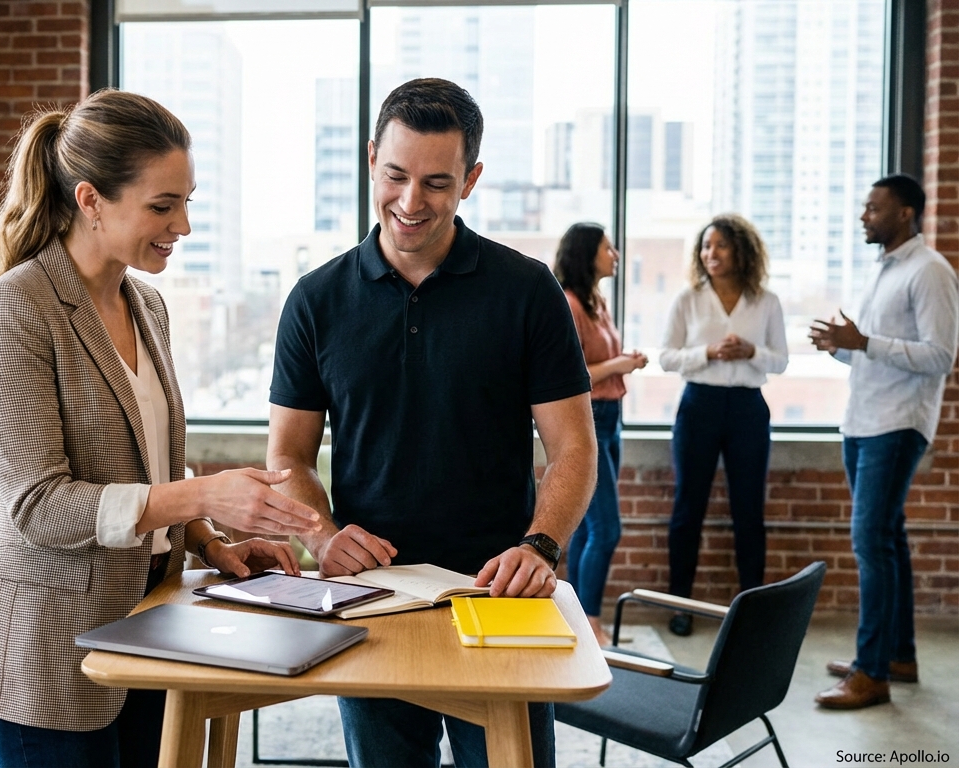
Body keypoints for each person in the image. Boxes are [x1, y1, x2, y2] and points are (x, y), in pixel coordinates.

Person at [0, 90, 322, 768]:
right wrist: (206, 497)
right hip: (49, 652)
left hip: (152, 627)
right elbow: (38, 506)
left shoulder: (147, 305)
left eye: (188, 201)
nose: (182, 224)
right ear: (91, 199)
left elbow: (148, 467)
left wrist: (211, 545)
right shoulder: (12, 312)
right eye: (162, 205)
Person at [266, 78, 596, 768]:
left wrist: (541, 545)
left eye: (437, 182)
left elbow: (572, 448)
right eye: (395, 176)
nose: (411, 202)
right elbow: (289, 458)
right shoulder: (315, 299)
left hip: (499, 593)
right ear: (370, 161)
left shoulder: (527, 290)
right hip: (371, 599)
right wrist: (323, 536)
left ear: (471, 179)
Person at [810, 174, 959, 710]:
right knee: (888, 541)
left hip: (898, 424)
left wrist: (864, 340)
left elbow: (941, 355)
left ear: (906, 213)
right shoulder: (884, 271)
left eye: (874, 208)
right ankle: (898, 654)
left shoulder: (931, 272)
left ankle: (872, 673)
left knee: (870, 542)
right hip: (864, 420)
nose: (864, 216)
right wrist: (841, 347)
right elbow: (873, 351)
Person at [658, 214, 787, 637]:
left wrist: (751, 351)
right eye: (705, 247)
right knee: (687, 510)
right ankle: (680, 606)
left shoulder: (766, 301)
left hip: (748, 409)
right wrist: (707, 352)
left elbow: (781, 360)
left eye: (720, 246)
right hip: (700, 405)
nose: (710, 254)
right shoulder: (687, 299)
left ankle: (753, 611)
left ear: (741, 251)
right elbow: (666, 357)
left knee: (748, 511)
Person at [553, 223, 647, 647]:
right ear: (588, 254)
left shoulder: (597, 302)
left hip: (612, 417)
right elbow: (570, 378)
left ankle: (580, 614)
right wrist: (618, 366)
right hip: (589, 417)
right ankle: (588, 620)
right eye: (609, 248)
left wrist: (621, 361)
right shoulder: (569, 304)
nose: (616, 254)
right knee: (606, 528)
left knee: (592, 529)